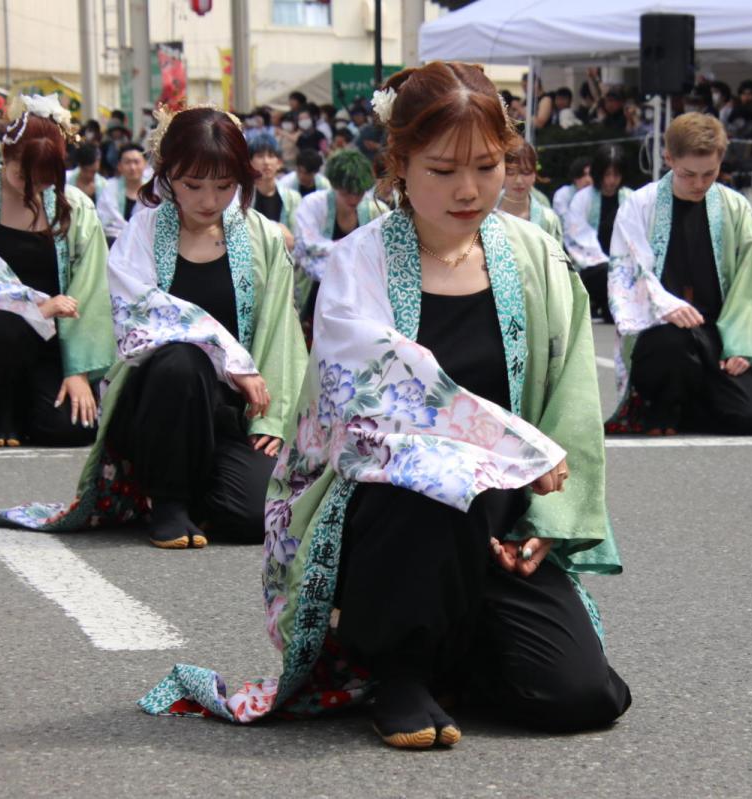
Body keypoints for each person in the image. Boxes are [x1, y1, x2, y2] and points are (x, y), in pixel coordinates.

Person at [137, 61, 630, 749]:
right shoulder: (358, 263)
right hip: (395, 516)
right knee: (422, 483)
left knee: (580, 695)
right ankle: (398, 665)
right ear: (398, 164)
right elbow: (381, 405)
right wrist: (515, 453)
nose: (468, 189)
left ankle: (448, 647)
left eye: (487, 167)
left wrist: (546, 517)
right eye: (442, 169)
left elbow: (573, 399)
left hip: (502, 516)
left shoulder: (536, 257)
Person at [0, 107, 308, 547]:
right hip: (159, 402)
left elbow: (280, 332)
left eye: (224, 185)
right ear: (168, 174)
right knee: (182, 358)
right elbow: (139, 318)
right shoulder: (144, 232)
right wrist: (226, 352)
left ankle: (194, 488)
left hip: (229, 410)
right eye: (193, 185)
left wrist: (271, 419)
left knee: (252, 517)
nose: (209, 200)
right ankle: (167, 500)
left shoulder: (262, 238)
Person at [605, 112, 752, 435]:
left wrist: (742, 345)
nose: (699, 184)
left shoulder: (735, 207)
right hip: (660, 331)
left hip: (718, 335)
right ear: (669, 159)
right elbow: (627, 272)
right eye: (688, 174)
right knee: (672, 344)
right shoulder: (640, 204)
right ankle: (662, 405)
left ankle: (688, 408)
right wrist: (666, 305)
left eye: (709, 174)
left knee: (750, 416)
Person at [0, 94, 114, 447]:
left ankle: (24, 407)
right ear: (6, 155)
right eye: (24, 176)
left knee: (73, 428)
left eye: (44, 181)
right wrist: (34, 307)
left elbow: (90, 288)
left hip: (52, 343)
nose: (32, 189)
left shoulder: (76, 207)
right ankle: (0, 410)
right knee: (7, 328)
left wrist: (78, 371)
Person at [292, 148, 390, 328]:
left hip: (363, 298)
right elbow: (305, 246)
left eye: (359, 192)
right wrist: (349, 252)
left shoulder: (376, 210)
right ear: (335, 185)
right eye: (347, 192)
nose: (354, 198)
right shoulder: (313, 204)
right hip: (317, 292)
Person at [562, 144, 633, 321]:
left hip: (624, 267)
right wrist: (609, 263)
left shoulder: (631, 199)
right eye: (607, 174)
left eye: (616, 175)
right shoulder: (582, 198)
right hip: (594, 269)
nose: (611, 181)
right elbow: (577, 238)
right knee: (603, 272)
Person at [498, 141, 562, 240]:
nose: (518, 181)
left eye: (526, 172)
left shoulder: (548, 219)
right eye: (510, 172)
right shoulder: (485, 213)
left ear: (534, 175)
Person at [248, 132, 299, 253]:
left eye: (271, 156)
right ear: (250, 162)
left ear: (279, 163)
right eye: (260, 156)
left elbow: (296, 238)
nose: (266, 162)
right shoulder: (240, 196)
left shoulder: (293, 198)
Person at [97, 142, 150, 246]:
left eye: (136, 162)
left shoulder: (152, 191)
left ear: (145, 164)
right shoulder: (109, 188)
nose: (132, 167)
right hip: (113, 243)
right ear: (119, 166)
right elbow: (106, 221)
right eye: (127, 162)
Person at [552, 156, 591, 220]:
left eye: (590, 175)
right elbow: (565, 221)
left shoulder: (597, 194)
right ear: (575, 178)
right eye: (583, 175)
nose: (588, 180)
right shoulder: (563, 194)